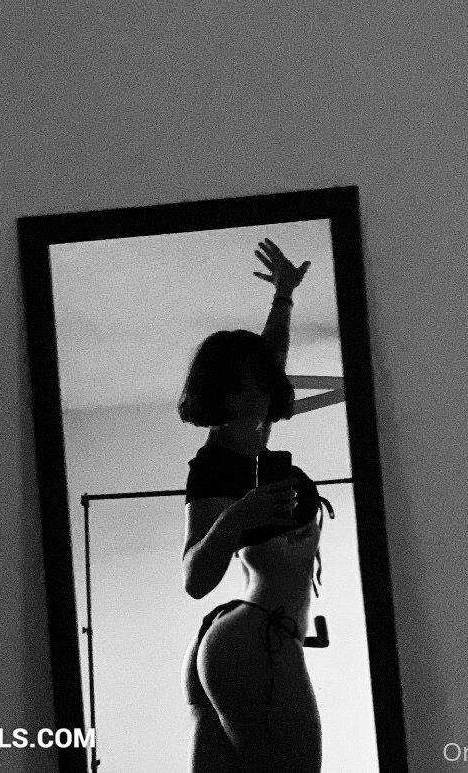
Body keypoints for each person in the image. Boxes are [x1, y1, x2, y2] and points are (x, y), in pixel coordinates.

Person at [179, 239, 332, 772]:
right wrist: (239, 515)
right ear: (225, 395)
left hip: (250, 639)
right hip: (255, 639)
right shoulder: (215, 467)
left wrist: (284, 296)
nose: (266, 393)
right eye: (251, 387)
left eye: (265, 385)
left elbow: (271, 359)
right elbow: (196, 579)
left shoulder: (252, 438)